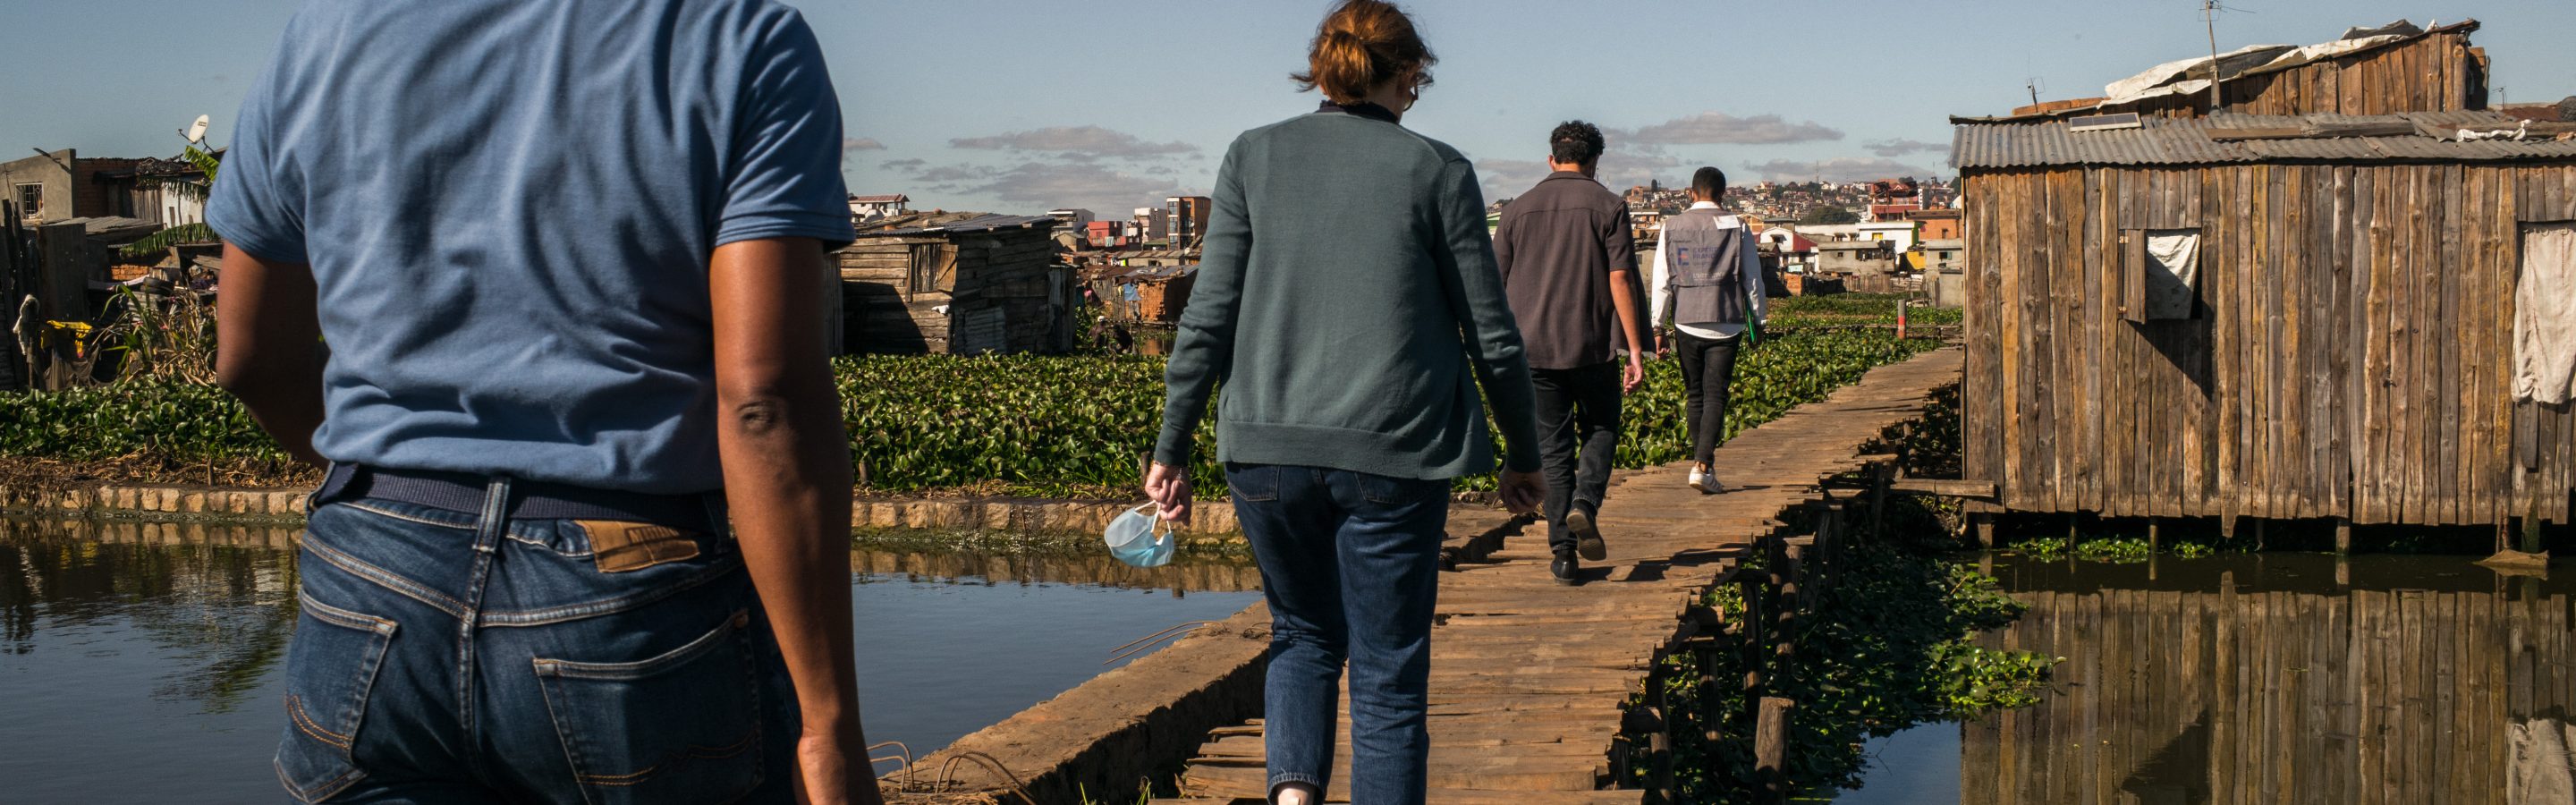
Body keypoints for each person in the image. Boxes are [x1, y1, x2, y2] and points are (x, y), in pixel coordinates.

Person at [208, 1, 883, 802]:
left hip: (370, 579)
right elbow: (763, 403)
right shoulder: (736, 35)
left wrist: (407, 496)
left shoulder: (325, 31)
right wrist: (827, 726)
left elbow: (250, 360)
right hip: (621, 599)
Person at [1142, 2, 1546, 802]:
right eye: (1417, 83)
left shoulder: (1252, 157)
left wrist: (1171, 448)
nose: (1417, 98)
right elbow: (1492, 335)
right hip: (1394, 454)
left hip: (1263, 454)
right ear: (1403, 76)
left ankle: (1293, 797)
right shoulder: (1437, 169)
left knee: (1301, 638)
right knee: (1389, 677)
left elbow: (1207, 320)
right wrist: (1524, 455)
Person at [1493, 121, 1648, 585]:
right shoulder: (1609, 206)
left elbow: (1493, 286)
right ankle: (1586, 503)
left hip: (1532, 350)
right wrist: (1635, 349)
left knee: (1552, 450)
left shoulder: (1516, 211)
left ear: (1551, 158)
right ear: (1595, 161)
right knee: (1601, 426)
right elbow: (1620, 278)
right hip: (1592, 346)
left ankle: (1563, 554)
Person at [1650, 166, 1769, 494]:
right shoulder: (1737, 227)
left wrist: (1657, 326)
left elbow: (1661, 281)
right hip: (1726, 321)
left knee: (1695, 395)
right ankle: (1702, 465)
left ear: (1691, 193)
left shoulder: (1671, 226)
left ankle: (1702, 465)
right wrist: (1760, 321)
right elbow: (1752, 279)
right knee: (1716, 393)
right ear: (1722, 194)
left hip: (1686, 319)